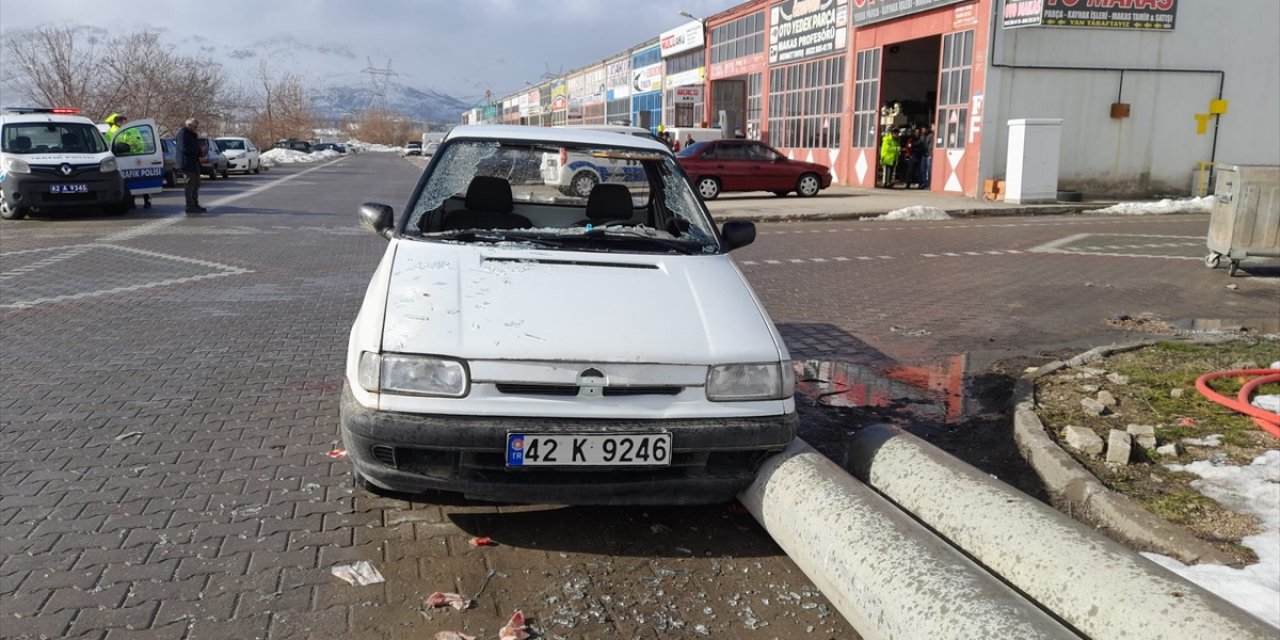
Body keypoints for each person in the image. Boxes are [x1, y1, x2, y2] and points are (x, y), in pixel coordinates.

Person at [103, 113, 152, 209]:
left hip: (133, 158)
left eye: (124, 120)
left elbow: (138, 144)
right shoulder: (113, 133)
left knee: (137, 180)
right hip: (124, 159)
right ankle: (135, 202)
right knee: (132, 181)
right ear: (116, 122)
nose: (124, 122)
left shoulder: (129, 130)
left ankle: (144, 201)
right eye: (122, 121)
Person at [174, 117, 206, 213]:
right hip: (186, 163)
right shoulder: (182, 134)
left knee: (196, 184)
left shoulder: (193, 135)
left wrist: (201, 152)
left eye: (197, 127)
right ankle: (190, 205)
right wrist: (196, 150)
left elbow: (196, 146)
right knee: (189, 185)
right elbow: (184, 149)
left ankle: (195, 204)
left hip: (194, 162)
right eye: (194, 127)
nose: (196, 129)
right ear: (189, 125)